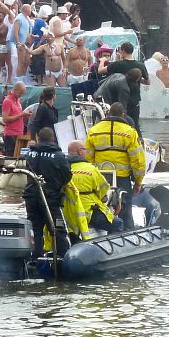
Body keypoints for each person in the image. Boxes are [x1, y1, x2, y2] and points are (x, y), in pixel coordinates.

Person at [85, 102, 146, 230]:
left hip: (99, 179)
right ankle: (127, 235)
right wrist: (138, 182)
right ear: (123, 115)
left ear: (108, 113)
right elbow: (138, 161)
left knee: (100, 207)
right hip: (121, 179)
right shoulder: (130, 133)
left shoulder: (94, 131)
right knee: (125, 212)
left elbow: (88, 158)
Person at [23, 127, 72, 258]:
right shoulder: (58, 156)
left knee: (35, 229)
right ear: (53, 139)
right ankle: (63, 258)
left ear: (38, 138)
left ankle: (35, 257)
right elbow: (67, 176)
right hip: (51, 198)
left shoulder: (30, 154)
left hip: (31, 197)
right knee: (58, 229)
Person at [66, 140, 117, 234]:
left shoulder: (63, 169)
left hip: (68, 214)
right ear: (80, 151)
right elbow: (103, 191)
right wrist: (103, 198)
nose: (86, 152)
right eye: (85, 149)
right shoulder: (91, 169)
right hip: (88, 212)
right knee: (117, 224)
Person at [104, 42, 149, 130]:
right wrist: (138, 79)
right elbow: (148, 82)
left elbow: (101, 71)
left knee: (116, 122)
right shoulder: (140, 65)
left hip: (117, 99)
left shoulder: (118, 64)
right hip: (134, 99)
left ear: (123, 50)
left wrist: (102, 61)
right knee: (135, 124)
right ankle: (137, 140)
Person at [1, 81, 32, 157]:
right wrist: (21, 115)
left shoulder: (17, 100)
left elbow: (18, 115)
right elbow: (5, 119)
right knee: (10, 156)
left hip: (19, 133)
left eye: (22, 93)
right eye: (20, 93)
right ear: (15, 90)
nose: (21, 95)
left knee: (18, 155)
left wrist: (25, 115)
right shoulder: (7, 101)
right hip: (11, 134)